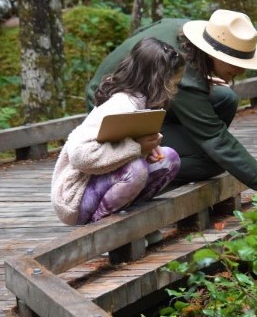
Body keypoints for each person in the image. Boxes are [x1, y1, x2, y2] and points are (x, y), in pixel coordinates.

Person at [86, 9, 257, 233]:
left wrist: (204, 78)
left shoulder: (190, 34)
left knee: (225, 98)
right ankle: (141, 176)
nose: (240, 71)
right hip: (113, 115)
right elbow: (217, 139)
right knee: (214, 161)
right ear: (215, 55)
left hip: (149, 98)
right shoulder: (183, 76)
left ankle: (168, 155)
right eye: (236, 64)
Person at [51, 37, 185, 226]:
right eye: (174, 84)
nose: (175, 90)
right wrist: (137, 148)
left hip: (102, 185)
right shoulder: (120, 104)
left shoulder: (142, 104)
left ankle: (132, 222)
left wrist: (148, 147)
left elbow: (121, 145)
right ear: (159, 81)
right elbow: (79, 155)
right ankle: (100, 231)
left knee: (169, 158)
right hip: (75, 198)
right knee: (135, 170)